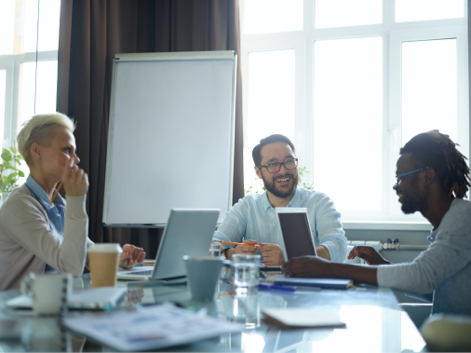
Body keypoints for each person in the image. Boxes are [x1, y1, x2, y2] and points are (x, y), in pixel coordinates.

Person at [283, 130, 471, 316]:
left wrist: (328, 268)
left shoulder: (464, 217)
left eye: (401, 177)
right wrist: (382, 265)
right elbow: (433, 289)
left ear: (427, 177)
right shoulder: (446, 224)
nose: (396, 186)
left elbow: (423, 277)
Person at [0, 113, 145, 291]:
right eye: (67, 150)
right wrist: (76, 199)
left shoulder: (58, 204)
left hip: (52, 304)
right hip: (17, 313)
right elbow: (70, 266)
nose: (76, 160)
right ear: (37, 151)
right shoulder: (19, 206)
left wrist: (121, 257)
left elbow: (87, 254)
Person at [213, 134, 347, 265]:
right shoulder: (247, 206)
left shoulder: (319, 202)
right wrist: (230, 254)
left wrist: (291, 257)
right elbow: (213, 242)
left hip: (306, 286)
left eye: (289, 161)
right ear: (259, 172)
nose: (283, 171)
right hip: (258, 285)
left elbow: (338, 247)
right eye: (273, 164)